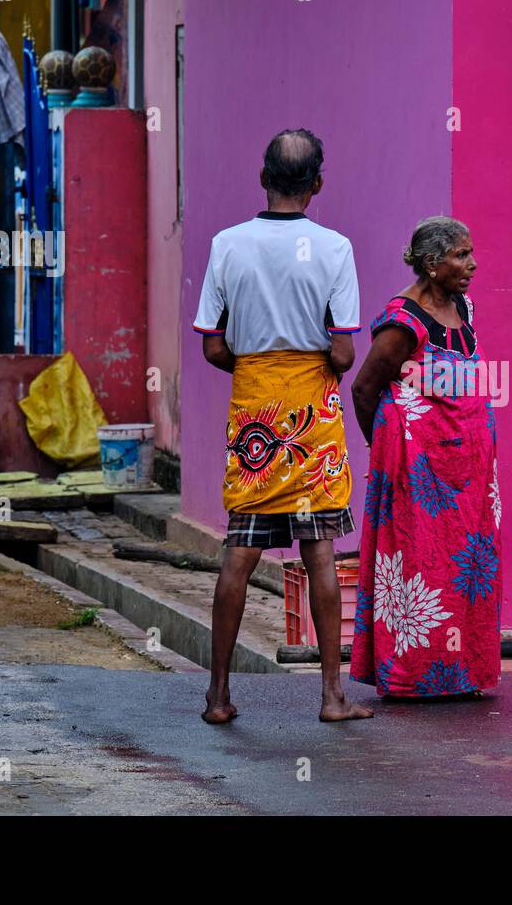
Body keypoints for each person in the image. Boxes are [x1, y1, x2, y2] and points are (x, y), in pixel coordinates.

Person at [193, 128, 372, 723]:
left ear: (262, 179)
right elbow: (345, 355)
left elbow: (213, 348)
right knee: (320, 552)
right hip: (312, 413)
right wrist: (311, 358)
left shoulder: (227, 244)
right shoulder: (335, 248)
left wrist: (257, 363)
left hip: (254, 414)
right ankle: (331, 696)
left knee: (239, 553)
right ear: (317, 184)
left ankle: (218, 696)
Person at [348, 217, 501, 698]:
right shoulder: (403, 320)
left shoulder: (464, 307)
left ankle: (463, 673)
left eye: (470, 253)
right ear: (432, 264)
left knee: (465, 568)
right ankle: (413, 676)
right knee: (419, 566)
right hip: (419, 473)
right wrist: (390, 446)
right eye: (461, 255)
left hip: (469, 475)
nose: (471, 264)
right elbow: (364, 387)